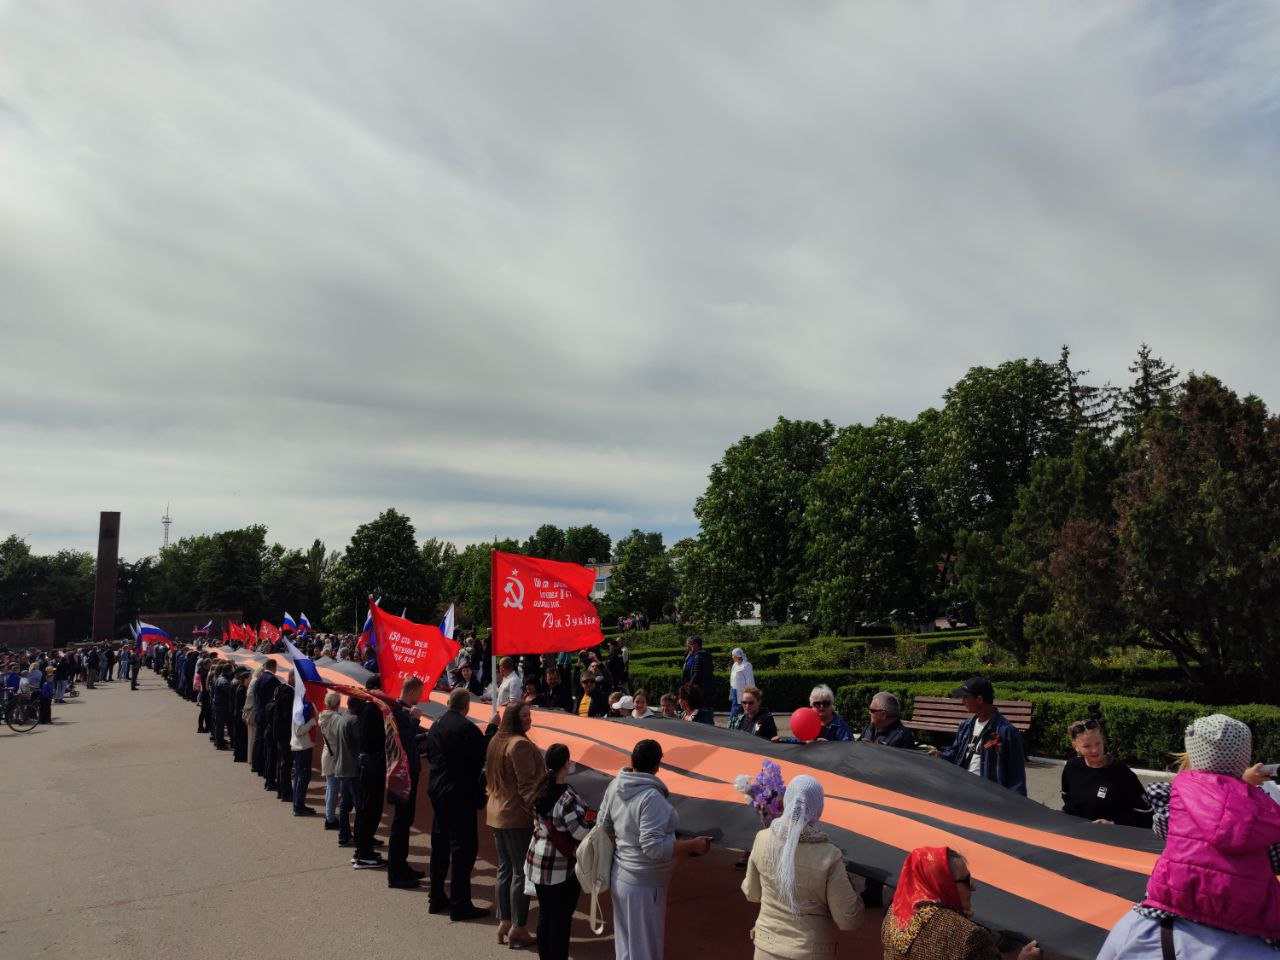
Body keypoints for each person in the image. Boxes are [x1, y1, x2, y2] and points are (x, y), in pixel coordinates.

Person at [1108, 714, 1280, 955]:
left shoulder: (1174, 795)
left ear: (1194, 755)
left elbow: (1162, 829)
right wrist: (1242, 787)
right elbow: (1275, 859)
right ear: (1245, 757)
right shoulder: (1265, 809)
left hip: (1170, 910)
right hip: (1249, 923)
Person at [599, 739, 711, 960]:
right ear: (658, 766)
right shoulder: (651, 798)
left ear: (632, 760)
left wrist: (626, 841)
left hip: (621, 874)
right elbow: (654, 848)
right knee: (645, 949)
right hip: (644, 883)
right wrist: (693, 845)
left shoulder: (616, 785)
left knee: (627, 946)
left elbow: (603, 825)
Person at [742, 774, 864, 958]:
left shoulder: (762, 838)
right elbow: (848, 920)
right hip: (810, 951)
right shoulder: (829, 855)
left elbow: (751, 893)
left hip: (766, 948)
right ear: (818, 809)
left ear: (787, 801)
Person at [883, 846, 1042, 960]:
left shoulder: (892, 913)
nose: (972, 886)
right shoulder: (969, 935)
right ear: (943, 884)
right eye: (965, 880)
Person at [486, 702, 546, 949]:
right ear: (514, 719)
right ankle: (519, 927)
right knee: (521, 872)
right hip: (515, 816)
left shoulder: (496, 741)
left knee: (505, 870)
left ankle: (505, 922)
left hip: (497, 812)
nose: (529, 719)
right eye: (524, 716)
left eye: (530, 715)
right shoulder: (519, 744)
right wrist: (539, 812)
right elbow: (527, 786)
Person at [526, 743, 595, 960]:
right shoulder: (566, 796)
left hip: (537, 859)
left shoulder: (539, 790)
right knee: (561, 920)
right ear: (567, 763)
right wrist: (594, 825)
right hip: (559, 865)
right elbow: (579, 832)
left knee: (545, 915)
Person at [426, 688, 489, 922]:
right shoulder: (466, 729)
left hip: (438, 791)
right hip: (459, 794)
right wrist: (491, 730)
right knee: (463, 849)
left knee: (440, 845)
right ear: (466, 706)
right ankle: (460, 904)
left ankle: (436, 896)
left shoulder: (436, 725)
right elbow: (480, 757)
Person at [928, 677, 1026, 795]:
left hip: (988, 797)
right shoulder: (965, 726)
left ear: (979, 699)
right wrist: (939, 755)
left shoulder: (1007, 732)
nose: (962, 702)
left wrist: (1017, 806)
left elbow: (1016, 777)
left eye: (965, 697)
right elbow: (955, 754)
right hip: (961, 790)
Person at [1059, 719, 1153, 828]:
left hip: (1109, 839)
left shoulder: (1121, 772)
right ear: (1075, 746)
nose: (1095, 750)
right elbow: (1068, 801)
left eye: (1098, 743)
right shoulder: (1072, 767)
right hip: (1076, 834)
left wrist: (1114, 823)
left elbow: (1147, 814)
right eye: (1087, 746)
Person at [386, 677, 427, 888]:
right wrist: (415, 720)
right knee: (401, 824)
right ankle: (396, 874)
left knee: (405, 822)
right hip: (403, 775)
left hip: (408, 772)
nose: (420, 698)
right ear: (411, 692)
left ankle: (401, 866)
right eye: (419, 693)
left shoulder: (402, 711)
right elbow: (403, 737)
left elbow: (410, 739)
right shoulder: (399, 712)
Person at [352, 677, 388, 869]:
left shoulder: (365, 709)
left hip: (366, 763)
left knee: (365, 810)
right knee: (370, 810)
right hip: (372, 763)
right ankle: (364, 854)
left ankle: (362, 849)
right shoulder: (373, 710)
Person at [331, 696, 362, 849]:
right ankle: (359, 836)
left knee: (345, 805)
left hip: (342, 767)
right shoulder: (354, 721)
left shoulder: (342, 719)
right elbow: (362, 740)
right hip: (352, 769)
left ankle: (344, 835)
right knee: (359, 805)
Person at [317, 691, 345, 829]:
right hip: (335, 756)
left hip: (327, 754)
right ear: (337, 703)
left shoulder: (322, 716)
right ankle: (330, 818)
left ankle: (329, 816)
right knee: (334, 789)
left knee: (331, 788)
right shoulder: (336, 719)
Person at [251, 660, 281, 780]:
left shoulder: (259, 678)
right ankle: (263, 768)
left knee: (258, 740)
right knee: (266, 743)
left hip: (259, 712)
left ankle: (256, 765)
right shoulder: (272, 679)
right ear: (274, 667)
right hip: (267, 715)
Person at [289, 691, 318, 817]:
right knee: (302, 776)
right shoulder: (300, 709)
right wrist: (312, 721)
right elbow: (299, 730)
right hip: (302, 747)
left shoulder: (301, 707)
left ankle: (299, 804)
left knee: (302, 776)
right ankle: (298, 806)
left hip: (303, 746)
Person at [681, 635, 715, 705]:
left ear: (696, 645)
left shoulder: (699, 656)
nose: (689, 646)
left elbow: (697, 673)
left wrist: (689, 685)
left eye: (691, 644)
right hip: (703, 685)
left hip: (699, 686)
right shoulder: (703, 653)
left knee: (699, 705)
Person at [729, 648, 755, 723]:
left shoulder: (747, 666)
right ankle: (733, 725)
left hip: (744, 692)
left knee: (742, 710)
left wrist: (750, 694)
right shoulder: (734, 665)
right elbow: (732, 679)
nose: (732, 657)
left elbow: (750, 681)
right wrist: (731, 691)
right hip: (735, 691)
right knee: (736, 710)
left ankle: (733, 725)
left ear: (738, 656)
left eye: (733, 655)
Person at [231, 668, 251, 762]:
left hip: (238, 716)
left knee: (241, 737)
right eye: (249, 678)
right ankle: (240, 756)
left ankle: (240, 755)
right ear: (245, 679)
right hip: (240, 717)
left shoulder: (241, 688)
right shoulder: (241, 690)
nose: (251, 680)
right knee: (241, 737)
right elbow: (240, 705)